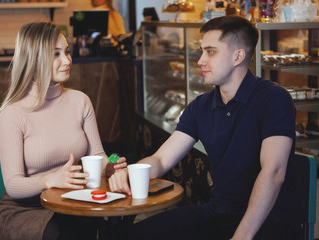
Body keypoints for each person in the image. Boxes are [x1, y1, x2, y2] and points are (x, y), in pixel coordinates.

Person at [109, 16, 300, 240]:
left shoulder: (273, 99)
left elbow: (273, 172)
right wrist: (130, 174)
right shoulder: (201, 106)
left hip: (267, 221)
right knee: (133, 235)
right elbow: (161, 160)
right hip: (219, 212)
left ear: (238, 56)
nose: (200, 60)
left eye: (210, 52)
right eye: (202, 51)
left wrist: (242, 237)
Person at [0, 22, 126, 240]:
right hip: (26, 210)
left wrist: (111, 163)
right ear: (34, 59)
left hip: (71, 201)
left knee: (115, 226)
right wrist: (50, 179)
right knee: (65, 234)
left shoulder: (80, 101)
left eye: (67, 52)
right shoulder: (12, 114)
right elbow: (14, 185)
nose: (67, 60)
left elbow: (98, 155)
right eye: (56, 54)